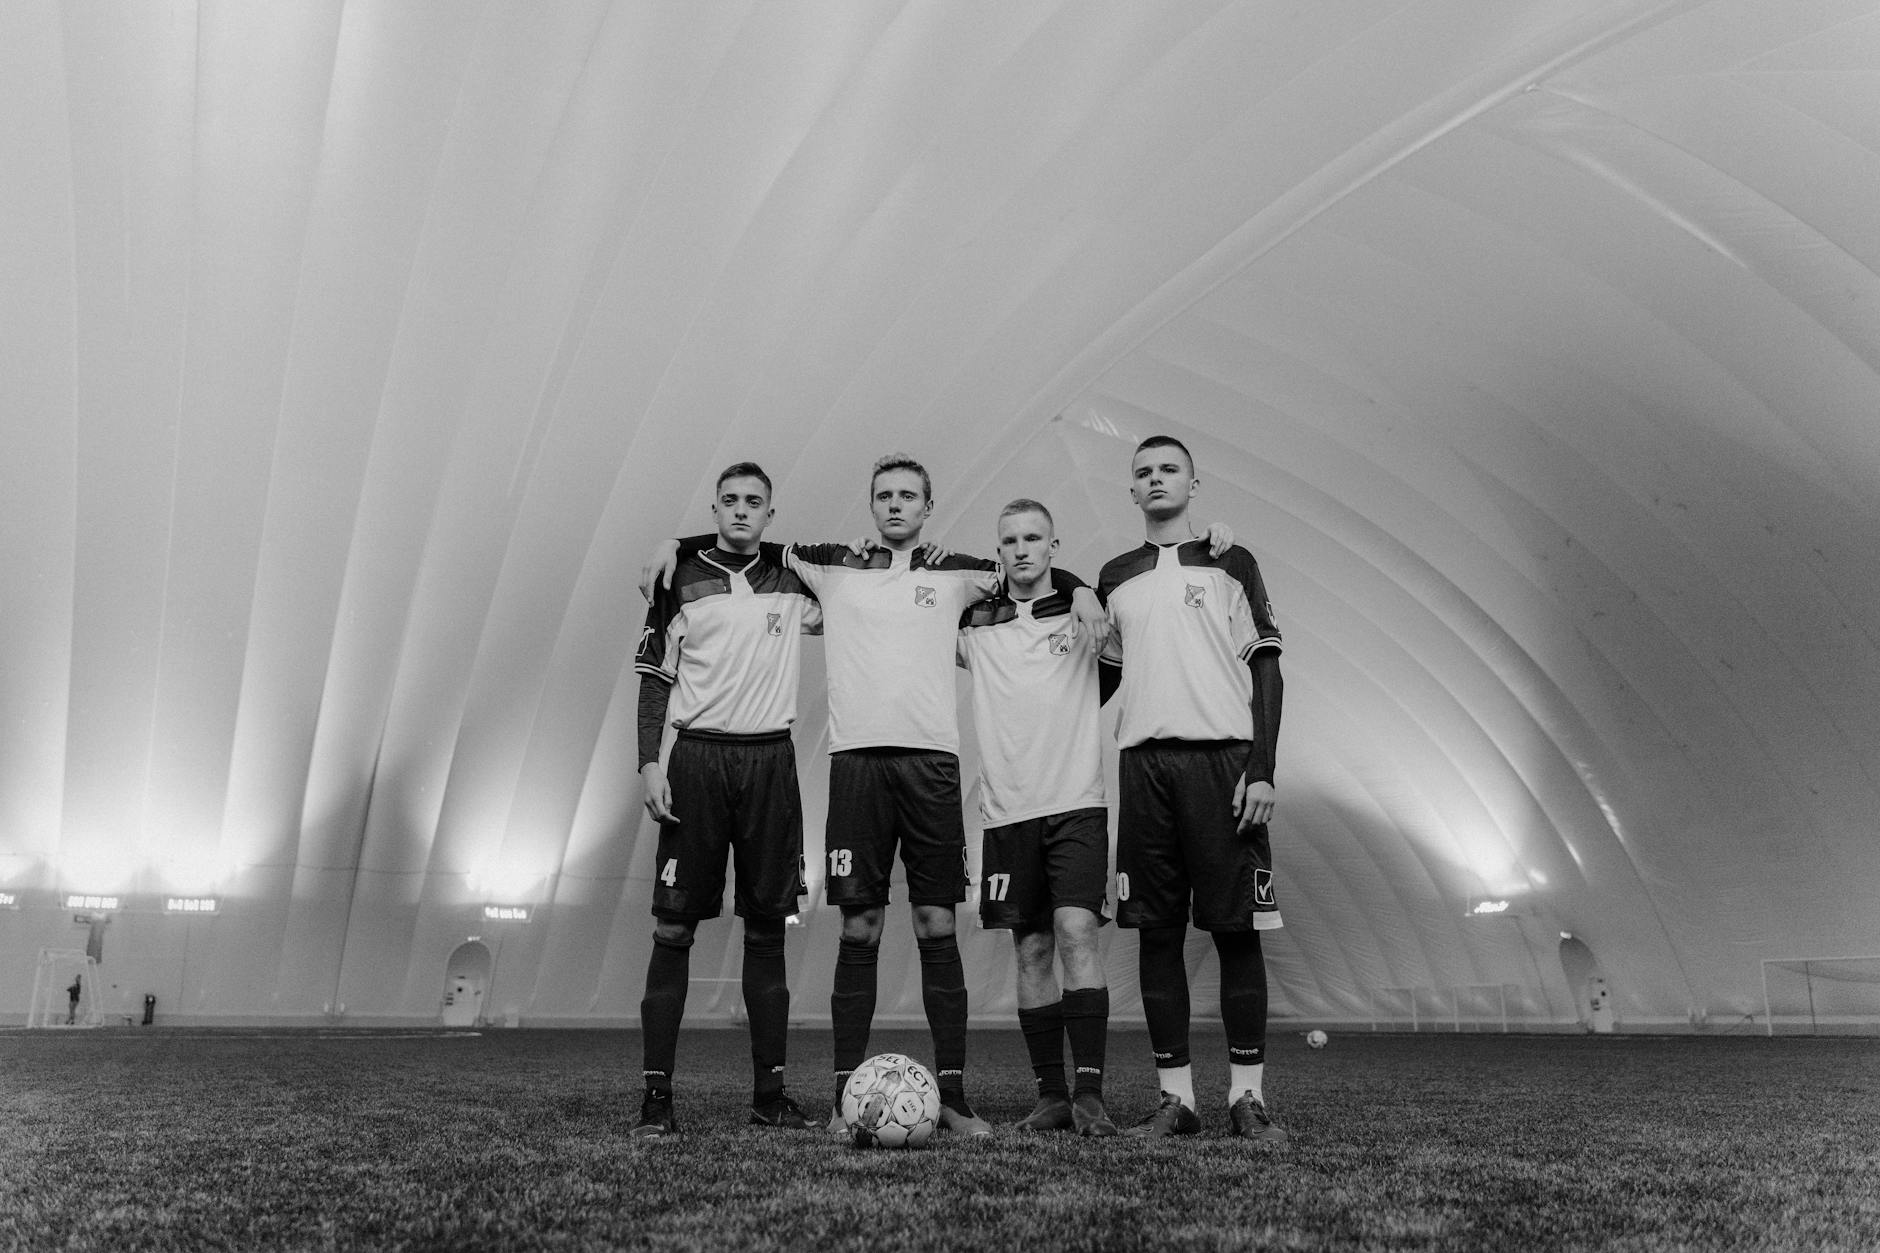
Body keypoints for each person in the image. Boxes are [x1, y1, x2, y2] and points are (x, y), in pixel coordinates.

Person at [645, 454, 1104, 1136]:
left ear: (927, 507)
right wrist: (675, 544)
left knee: (936, 926)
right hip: (854, 768)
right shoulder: (830, 564)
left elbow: (1028, 570)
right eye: (884, 495)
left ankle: (952, 1096)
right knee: (858, 927)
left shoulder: (961, 572)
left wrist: (1085, 590)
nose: (895, 505)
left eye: (908, 496)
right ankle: (841, 1098)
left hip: (932, 770)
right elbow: (750, 541)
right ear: (871, 505)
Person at [1096, 435, 1290, 1143]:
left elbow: (1267, 667)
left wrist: (1262, 764)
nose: (1155, 479)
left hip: (1223, 764)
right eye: (1143, 472)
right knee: (1156, 932)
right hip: (1143, 768)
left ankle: (1247, 1096)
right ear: (1132, 491)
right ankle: (1176, 1100)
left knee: (1237, 931)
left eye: (1167, 469)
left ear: (1193, 482)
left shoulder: (1231, 559)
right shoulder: (1113, 576)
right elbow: (1100, 679)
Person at [629, 462, 822, 1138]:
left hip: (772, 760)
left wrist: (675, 536)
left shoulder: (793, 578)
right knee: (675, 927)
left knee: (768, 930)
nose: (742, 510)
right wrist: (650, 762)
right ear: (714, 507)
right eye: (731, 501)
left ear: (771, 514)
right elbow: (656, 680)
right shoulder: (675, 578)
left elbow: (860, 571)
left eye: (755, 502)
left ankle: (770, 1096)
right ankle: (657, 1099)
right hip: (699, 760)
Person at [957, 499, 1119, 1137]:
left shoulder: (1088, 617)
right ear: (997, 549)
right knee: (1031, 950)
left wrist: (1083, 592)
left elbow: (1118, 668)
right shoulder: (972, 622)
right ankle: (1051, 1097)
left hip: (1077, 801)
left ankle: (1091, 1096)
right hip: (1006, 811)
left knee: (1077, 933)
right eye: (1010, 540)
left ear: (1055, 546)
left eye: (1034, 539)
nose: (1022, 549)